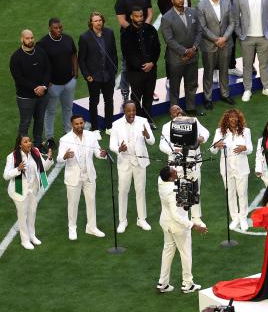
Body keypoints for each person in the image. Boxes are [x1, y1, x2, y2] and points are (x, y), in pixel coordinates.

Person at [156, 166, 207, 294]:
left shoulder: (161, 182)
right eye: (174, 172)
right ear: (170, 177)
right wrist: (194, 225)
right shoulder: (172, 191)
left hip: (165, 223)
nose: (176, 171)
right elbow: (176, 215)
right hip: (177, 227)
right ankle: (187, 284)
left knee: (167, 252)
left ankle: (163, 282)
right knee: (185, 253)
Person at [57, 115, 106, 240]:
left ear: (84, 123)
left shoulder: (91, 136)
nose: (79, 126)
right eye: (76, 124)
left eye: (81, 123)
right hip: (73, 177)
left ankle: (92, 227)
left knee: (91, 202)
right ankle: (72, 228)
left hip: (89, 175)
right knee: (73, 204)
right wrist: (65, 156)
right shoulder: (65, 139)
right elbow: (59, 159)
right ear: (72, 125)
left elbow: (97, 152)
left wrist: (102, 154)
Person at [159, 105, 210, 227]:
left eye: (179, 109)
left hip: (193, 162)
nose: (178, 112)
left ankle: (196, 217)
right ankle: (183, 218)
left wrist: (200, 139)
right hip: (177, 166)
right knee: (181, 191)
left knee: (196, 189)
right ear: (171, 116)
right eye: (174, 111)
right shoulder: (166, 127)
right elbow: (162, 145)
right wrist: (174, 151)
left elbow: (206, 132)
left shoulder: (193, 121)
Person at [109, 101, 155, 233]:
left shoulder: (143, 121)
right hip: (124, 163)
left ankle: (141, 219)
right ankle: (122, 221)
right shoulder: (116, 124)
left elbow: (152, 141)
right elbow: (112, 145)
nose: (132, 113)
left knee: (140, 190)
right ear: (124, 111)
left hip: (140, 163)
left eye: (134, 110)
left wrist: (147, 135)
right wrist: (119, 149)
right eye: (129, 111)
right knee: (123, 191)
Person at [4, 135, 53, 250]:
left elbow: (43, 168)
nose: (29, 143)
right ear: (20, 145)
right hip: (19, 190)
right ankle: (25, 240)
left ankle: (32, 236)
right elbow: (6, 175)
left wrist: (49, 158)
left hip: (33, 189)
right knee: (22, 216)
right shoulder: (12, 157)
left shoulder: (35, 152)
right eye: (25, 142)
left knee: (32, 213)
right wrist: (18, 169)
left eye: (29, 141)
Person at [160, 0, 204, 116]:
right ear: (172, 0)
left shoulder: (193, 12)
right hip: (176, 59)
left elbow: (199, 31)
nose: (181, 0)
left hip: (192, 56)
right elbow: (169, 40)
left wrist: (194, 49)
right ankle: (175, 112)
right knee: (175, 87)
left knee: (192, 84)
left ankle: (191, 108)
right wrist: (185, 51)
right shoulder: (166, 18)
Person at [210, 109, 252, 232]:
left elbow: (250, 149)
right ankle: (235, 217)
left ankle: (243, 218)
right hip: (226, 168)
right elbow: (213, 150)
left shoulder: (246, 131)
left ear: (239, 119)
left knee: (242, 193)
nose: (233, 119)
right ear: (226, 119)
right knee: (230, 193)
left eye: (235, 117)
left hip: (241, 168)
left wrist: (244, 148)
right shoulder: (220, 132)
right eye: (230, 117)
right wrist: (216, 145)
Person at [197, 0, 236, 109]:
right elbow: (202, 28)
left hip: (225, 43)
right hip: (209, 45)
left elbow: (232, 23)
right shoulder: (201, 6)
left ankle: (225, 94)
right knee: (208, 72)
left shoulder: (227, 2)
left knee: (224, 70)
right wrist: (217, 40)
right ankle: (207, 98)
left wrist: (224, 38)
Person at [38, 18, 77, 145]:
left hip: (69, 82)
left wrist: (75, 73)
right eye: (55, 28)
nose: (59, 30)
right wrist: (46, 81)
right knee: (50, 111)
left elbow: (73, 54)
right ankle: (49, 137)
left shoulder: (68, 39)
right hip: (53, 85)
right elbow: (40, 64)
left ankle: (68, 132)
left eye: (60, 27)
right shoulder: (43, 43)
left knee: (68, 108)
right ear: (49, 28)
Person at [115, 0, 154, 101]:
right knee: (127, 65)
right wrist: (135, 31)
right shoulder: (121, 0)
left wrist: (144, 28)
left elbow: (150, 13)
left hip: (144, 35)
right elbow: (122, 20)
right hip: (128, 37)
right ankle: (125, 91)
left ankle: (147, 88)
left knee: (147, 61)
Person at [10, 29, 51, 151]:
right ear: (22, 39)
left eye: (32, 37)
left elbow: (48, 69)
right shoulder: (16, 57)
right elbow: (18, 78)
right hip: (25, 98)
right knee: (25, 123)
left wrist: (43, 86)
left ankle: (37, 145)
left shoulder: (41, 52)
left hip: (42, 95)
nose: (30, 40)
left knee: (39, 121)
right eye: (27, 38)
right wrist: (35, 88)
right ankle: (22, 148)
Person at [78, 12, 118, 135]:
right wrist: (87, 75)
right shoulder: (85, 37)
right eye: (95, 21)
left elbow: (114, 53)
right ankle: (95, 128)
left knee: (109, 100)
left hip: (108, 75)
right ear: (91, 23)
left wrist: (114, 70)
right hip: (94, 77)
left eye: (100, 20)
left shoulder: (109, 33)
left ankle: (109, 126)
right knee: (94, 102)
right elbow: (81, 59)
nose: (98, 22)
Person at [120, 7, 160, 128]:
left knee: (148, 96)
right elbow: (127, 54)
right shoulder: (126, 33)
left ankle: (148, 120)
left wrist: (152, 63)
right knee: (136, 98)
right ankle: (137, 122)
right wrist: (142, 66)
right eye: (137, 16)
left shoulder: (151, 29)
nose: (140, 19)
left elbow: (157, 48)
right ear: (131, 17)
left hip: (151, 70)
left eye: (141, 16)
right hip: (135, 73)